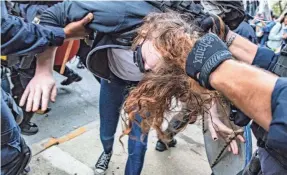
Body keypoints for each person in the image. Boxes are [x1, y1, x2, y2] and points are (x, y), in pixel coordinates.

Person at [34, 1, 245, 174]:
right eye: (144, 59)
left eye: (162, 70)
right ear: (151, 29)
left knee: (138, 140)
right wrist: (43, 70)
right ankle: (106, 152)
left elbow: (209, 70)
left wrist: (213, 111)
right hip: (113, 80)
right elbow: (52, 15)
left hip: (149, 91)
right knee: (106, 129)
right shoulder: (122, 11)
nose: (148, 68)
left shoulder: (192, 33)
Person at [123, 12, 287, 174]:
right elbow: (279, 64)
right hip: (267, 155)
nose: (146, 68)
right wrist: (228, 38)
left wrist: (219, 70)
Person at [1, 1, 93, 174]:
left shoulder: (47, 9)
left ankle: (24, 121)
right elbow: (6, 30)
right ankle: (24, 123)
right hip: (20, 59)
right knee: (24, 94)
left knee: (25, 94)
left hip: (26, 59)